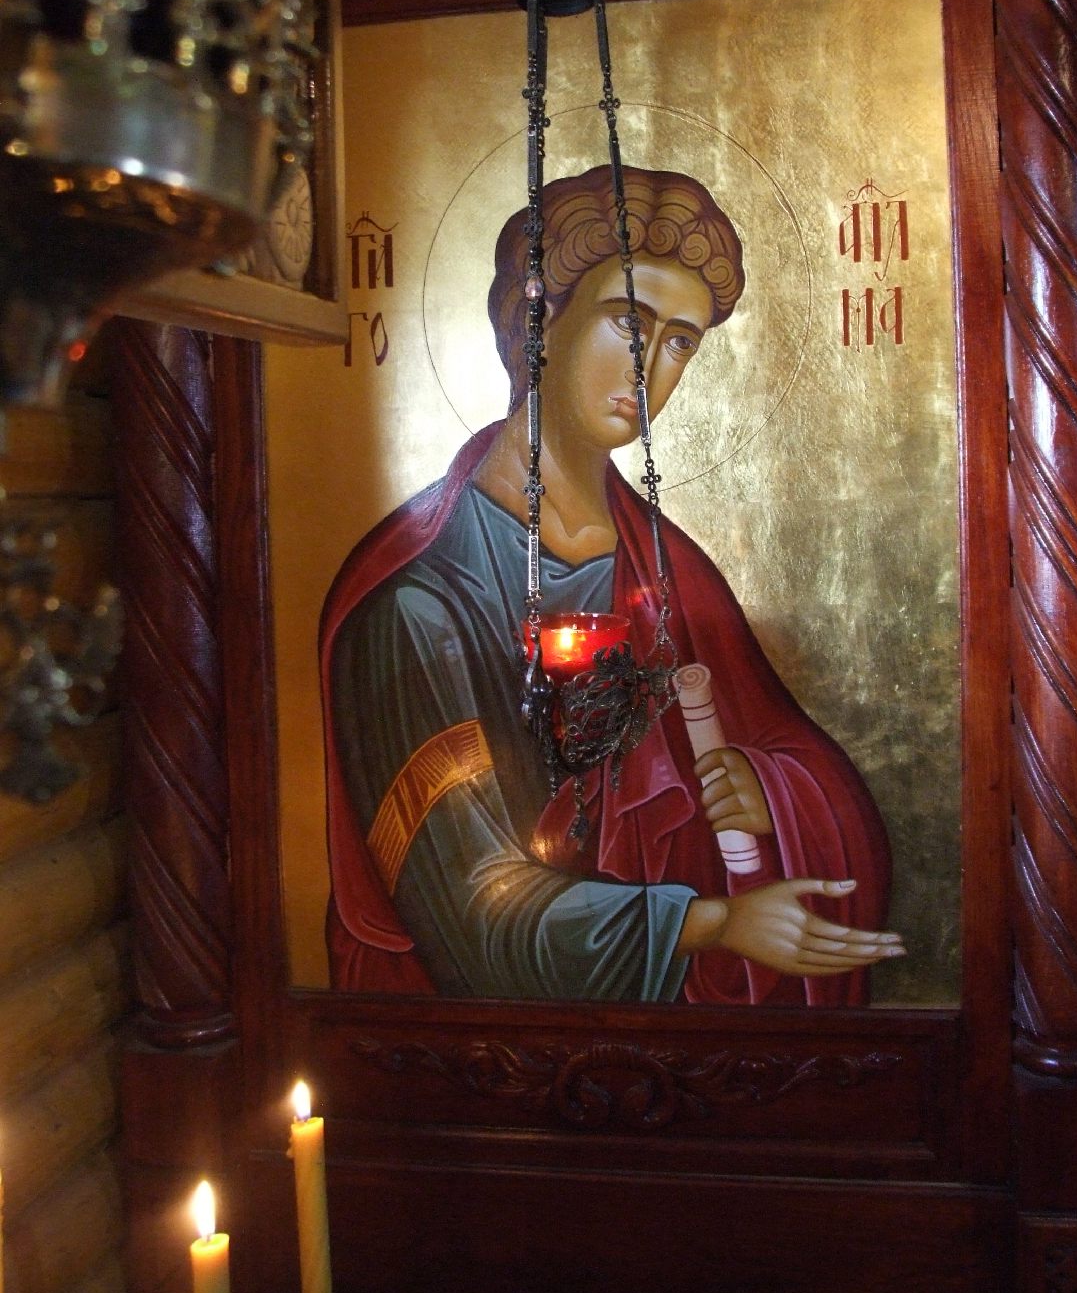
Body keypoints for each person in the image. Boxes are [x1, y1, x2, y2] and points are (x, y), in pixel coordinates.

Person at [320, 164, 900, 1004]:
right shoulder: (416, 604)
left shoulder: (670, 570)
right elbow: (472, 914)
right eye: (628, 320)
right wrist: (710, 924)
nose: (648, 366)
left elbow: (802, 764)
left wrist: (770, 792)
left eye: (680, 342)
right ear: (539, 317)